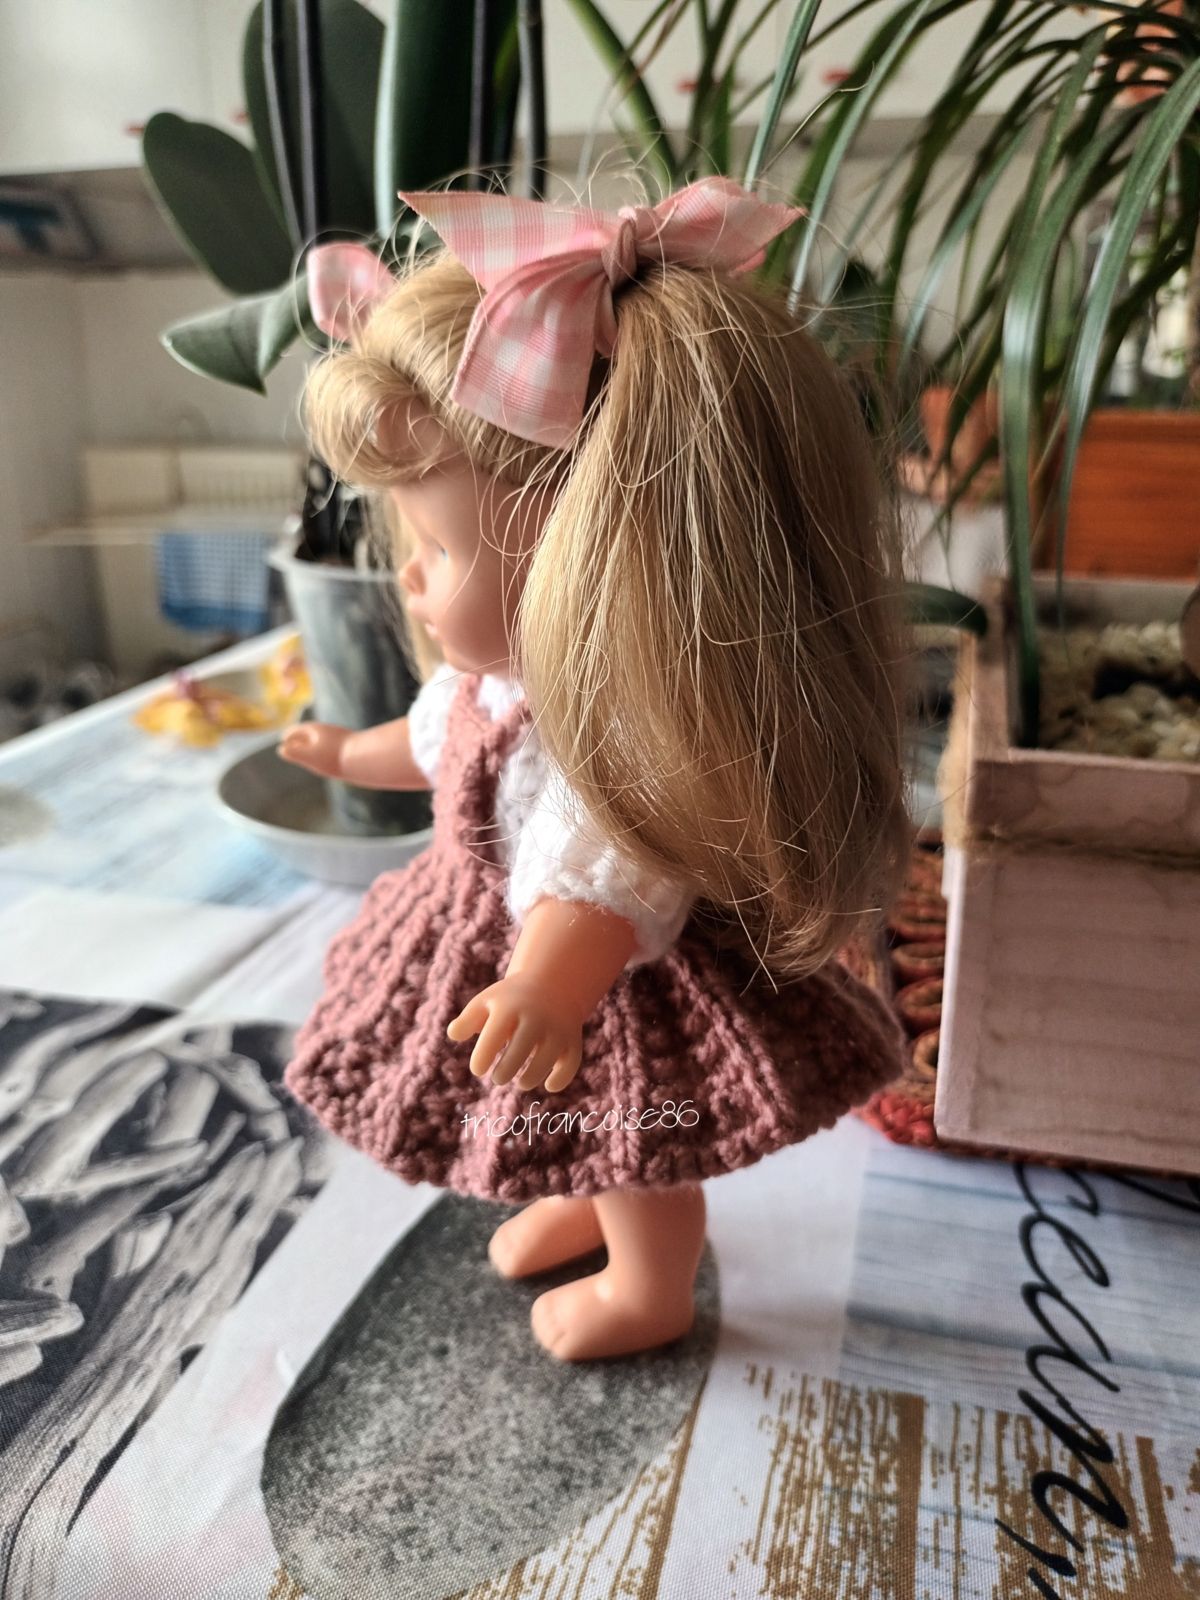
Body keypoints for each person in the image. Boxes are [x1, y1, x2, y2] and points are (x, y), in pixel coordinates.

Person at [280, 178, 911, 1362]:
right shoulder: (490, 690)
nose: (409, 578)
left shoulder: (616, 746)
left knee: (638, 1141)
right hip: (512, 958)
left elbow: (599, 883)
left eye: (438, 546)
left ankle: (649, 1287)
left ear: (596, 552)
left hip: (607, 988)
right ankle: (579, 1204)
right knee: (574, 1131)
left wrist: (545, 988)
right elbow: (433, 748)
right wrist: (343, 753)